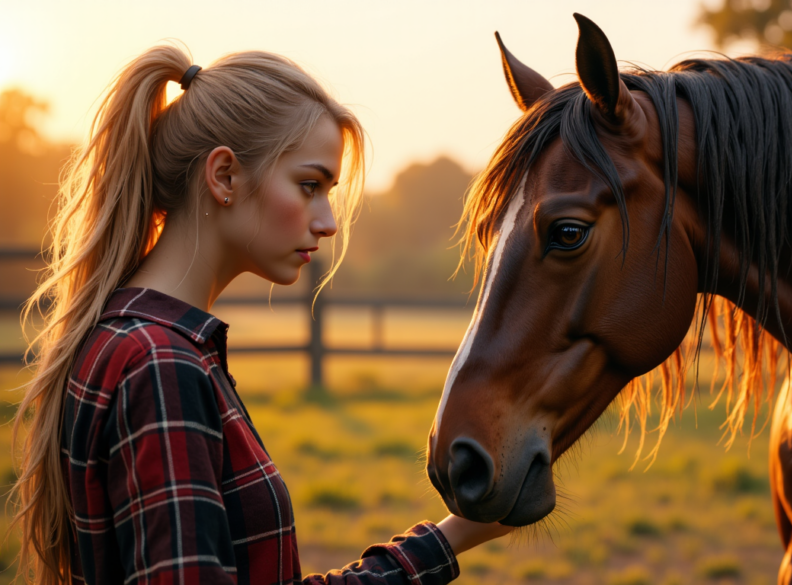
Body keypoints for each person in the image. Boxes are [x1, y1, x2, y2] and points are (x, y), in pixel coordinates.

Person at [10, 45, 511, 585]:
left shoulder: (138, 341)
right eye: (309, 186)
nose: (328, 223)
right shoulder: (159, 366)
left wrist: (454, 534)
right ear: (224, 176)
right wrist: (445, 543)